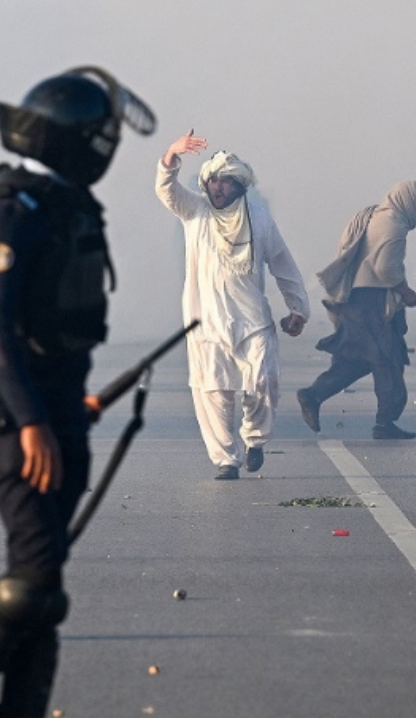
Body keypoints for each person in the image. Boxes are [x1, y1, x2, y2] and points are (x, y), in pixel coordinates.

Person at [0, 66, 155, 718]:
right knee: (34, 581)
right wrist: (31, 423)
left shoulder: (64, 202)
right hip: (7, 410)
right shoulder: (10, 206)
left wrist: (66, 411)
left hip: (57, 407)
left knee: (42, 586)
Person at [155, 134, 309, 480]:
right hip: (206, 322)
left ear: (240, 185)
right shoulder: (195, 211)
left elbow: (283, 263)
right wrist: (171, 155)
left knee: (263, 382)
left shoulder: (260, 219)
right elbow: (167, 191)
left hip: (252, 319)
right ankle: (226, 459)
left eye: (225, 181)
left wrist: (297, 308)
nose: (218, 187)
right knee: (214, 392)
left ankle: (255, 439)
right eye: (212, 180)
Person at [300, 181, 416, 440]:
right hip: (371, 303)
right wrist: (406, 293)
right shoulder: (394, 225)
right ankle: (384, 422)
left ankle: (315, 395)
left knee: (358, 359)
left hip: (356, 301)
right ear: (409, 200)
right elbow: (386, 269)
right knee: (387, 360)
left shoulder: (374, 215)